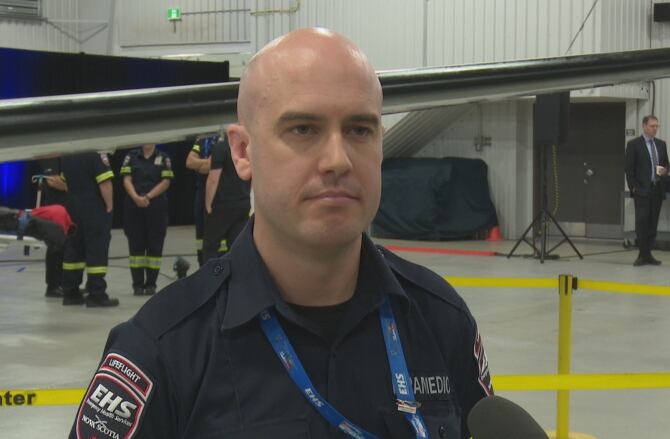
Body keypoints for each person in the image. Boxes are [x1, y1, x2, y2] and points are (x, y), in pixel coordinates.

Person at [69, 28, 492, 439]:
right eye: (303, 129)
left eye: (359, 130)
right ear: (242, 151)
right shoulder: (162, 349)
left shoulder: (441, 322)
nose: (337, 160)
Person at [60, 152, 119, 307]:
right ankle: (96, 294)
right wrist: (110, 206)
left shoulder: (66, 155)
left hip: (72, 207)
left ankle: (70, 292)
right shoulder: (96, 153)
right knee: (97, 249)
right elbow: (104, 182)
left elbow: (64, 181)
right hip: (94, 207)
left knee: (73, 249)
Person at [120, 143, 174, 296]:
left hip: (156, 205)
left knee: (155, 245)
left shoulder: (163, 158)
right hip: (134, 205)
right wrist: (136, 197)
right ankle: (137, 285)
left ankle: (151, 284)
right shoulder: (131, 156)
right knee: (135, 245)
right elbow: (126, 179)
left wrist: (148, 196)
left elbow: (166, 182)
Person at [625, 115, 670, 266]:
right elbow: (629, 169)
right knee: (642, 222)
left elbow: (666, 164)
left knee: (653, 223)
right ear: (644, 126)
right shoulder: (634, 144)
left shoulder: (661, 144)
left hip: (657, 189)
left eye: (657, 126)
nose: (655, 129)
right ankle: (642, 254)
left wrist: (665, 171)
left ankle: (648, 253)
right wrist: (634, 187)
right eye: (652, 126)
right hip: (642, 190)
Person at [201, 132, 250, 262]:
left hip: (221, 204)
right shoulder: (245, 148)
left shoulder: (220, 148)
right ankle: (237, 279)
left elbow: (213, 178)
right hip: (242, 202)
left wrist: (207, 204)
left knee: (211, 246)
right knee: (237, 245)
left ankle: (211, 280)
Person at [185, 134, 228, 266]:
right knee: (201, 233)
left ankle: (220, 269)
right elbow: (189, 162)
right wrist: (206, 163)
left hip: (221, 193)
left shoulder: (225, 139)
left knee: (219, 237)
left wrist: (203, 165)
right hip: (201, 193)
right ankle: (202, 267)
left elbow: (209, 167)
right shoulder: (202, 139)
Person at [38, 158, 69, 297]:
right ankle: (53, 286)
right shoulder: (51, 157)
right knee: (56, 247)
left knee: (67, 247)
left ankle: (64, 283)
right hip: (55, 208)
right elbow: (52, 180)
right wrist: (73, 188)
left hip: (67, 207)